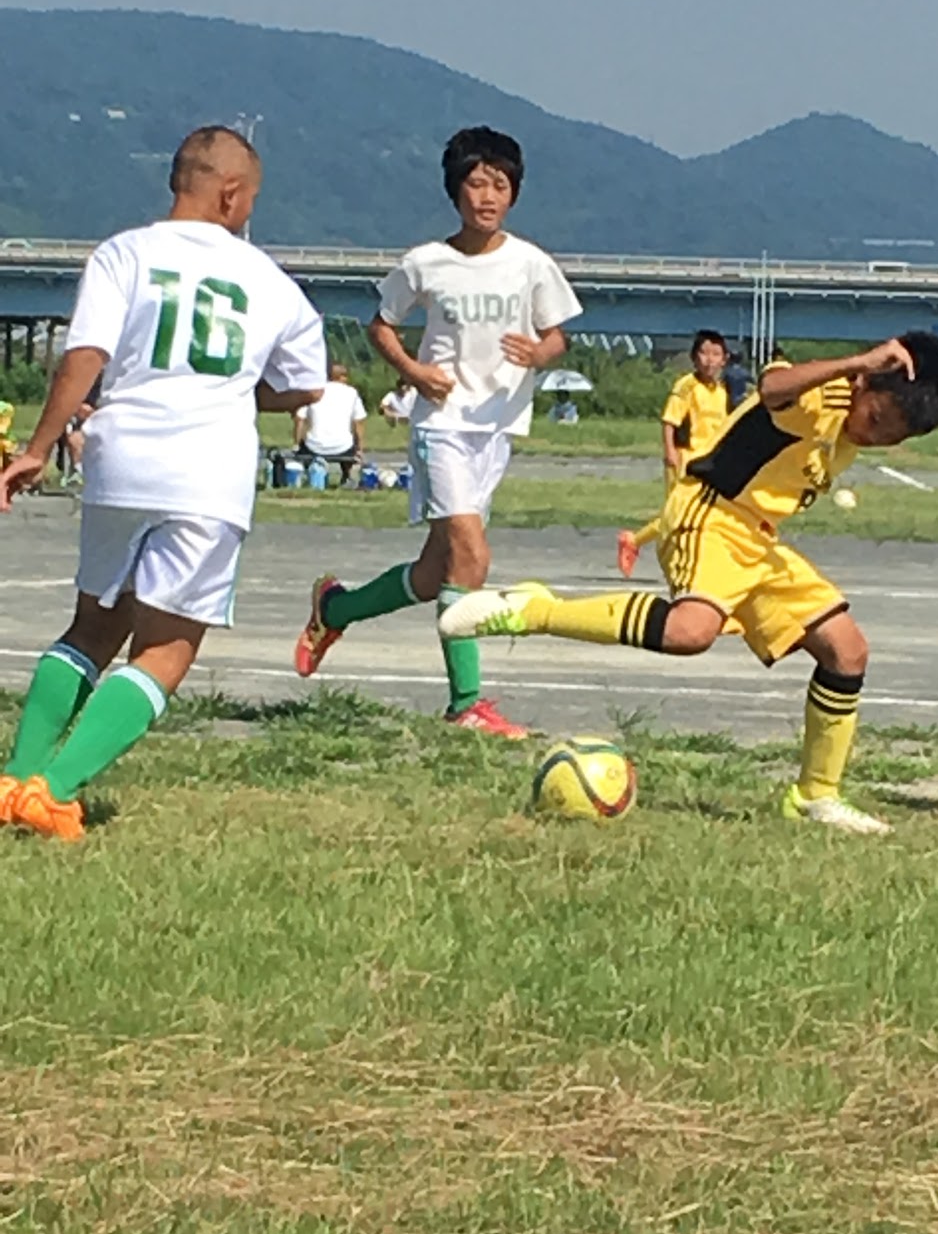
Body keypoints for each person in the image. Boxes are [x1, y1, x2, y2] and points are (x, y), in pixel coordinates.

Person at [440, 332, 938, 835]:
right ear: (865, 386)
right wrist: (857, 363)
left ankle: (815, 795)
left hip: (759, 540)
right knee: (691, 632)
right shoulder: (827, 391)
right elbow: (773, 388)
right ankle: (537, 609)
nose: (872, 436)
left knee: (846, 651)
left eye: (892, 437)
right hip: (710, 512)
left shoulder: (857, 420)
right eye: (875, 419)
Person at [0, 125, 326, 840]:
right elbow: (304, 385)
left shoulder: (125, 252)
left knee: (92, 625)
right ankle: (51, 791)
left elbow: (85, 357)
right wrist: (243, 392)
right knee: (167, 648)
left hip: (120, 458)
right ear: (233, 195)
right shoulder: (270, 280)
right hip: (207, 472)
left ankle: (13, 775)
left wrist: (37, 447)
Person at [293, 125, 581, 739]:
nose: (488, 195)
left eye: (500, 185)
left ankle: (336, 608)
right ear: (456, 191)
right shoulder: (426, 262)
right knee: (472, 557)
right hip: (442, 425)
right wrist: (415, 372)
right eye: (477, 183)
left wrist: (540, 352)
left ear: (514, 194)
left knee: (435, 574)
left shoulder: (531, 263)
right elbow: (382, 326)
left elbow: (557, 334)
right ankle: (466, 704)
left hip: (496, 426)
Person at [616, 330, 733, 578]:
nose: (709, 360)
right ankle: (641, 545)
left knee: (704, 514)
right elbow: (669, 420)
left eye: (715, 354)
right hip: (684, 459)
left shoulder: (723, 391)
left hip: (709, 462)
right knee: (677, 514)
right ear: (694, 357)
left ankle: (635, 541)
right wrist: (670, 451)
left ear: (724, 359)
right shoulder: (686, 386)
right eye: (704, 353)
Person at [294, 361, 366, 484]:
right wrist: (360, 448)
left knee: (304, 445)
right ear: (342, 377)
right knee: (348, 442)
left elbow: (299, 418)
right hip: (343, 447)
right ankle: (346, 475)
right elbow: (359, 422)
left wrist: (296, 443)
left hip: (314, 446)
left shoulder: (314, 391)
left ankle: (312, 473)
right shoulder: (352, 392)